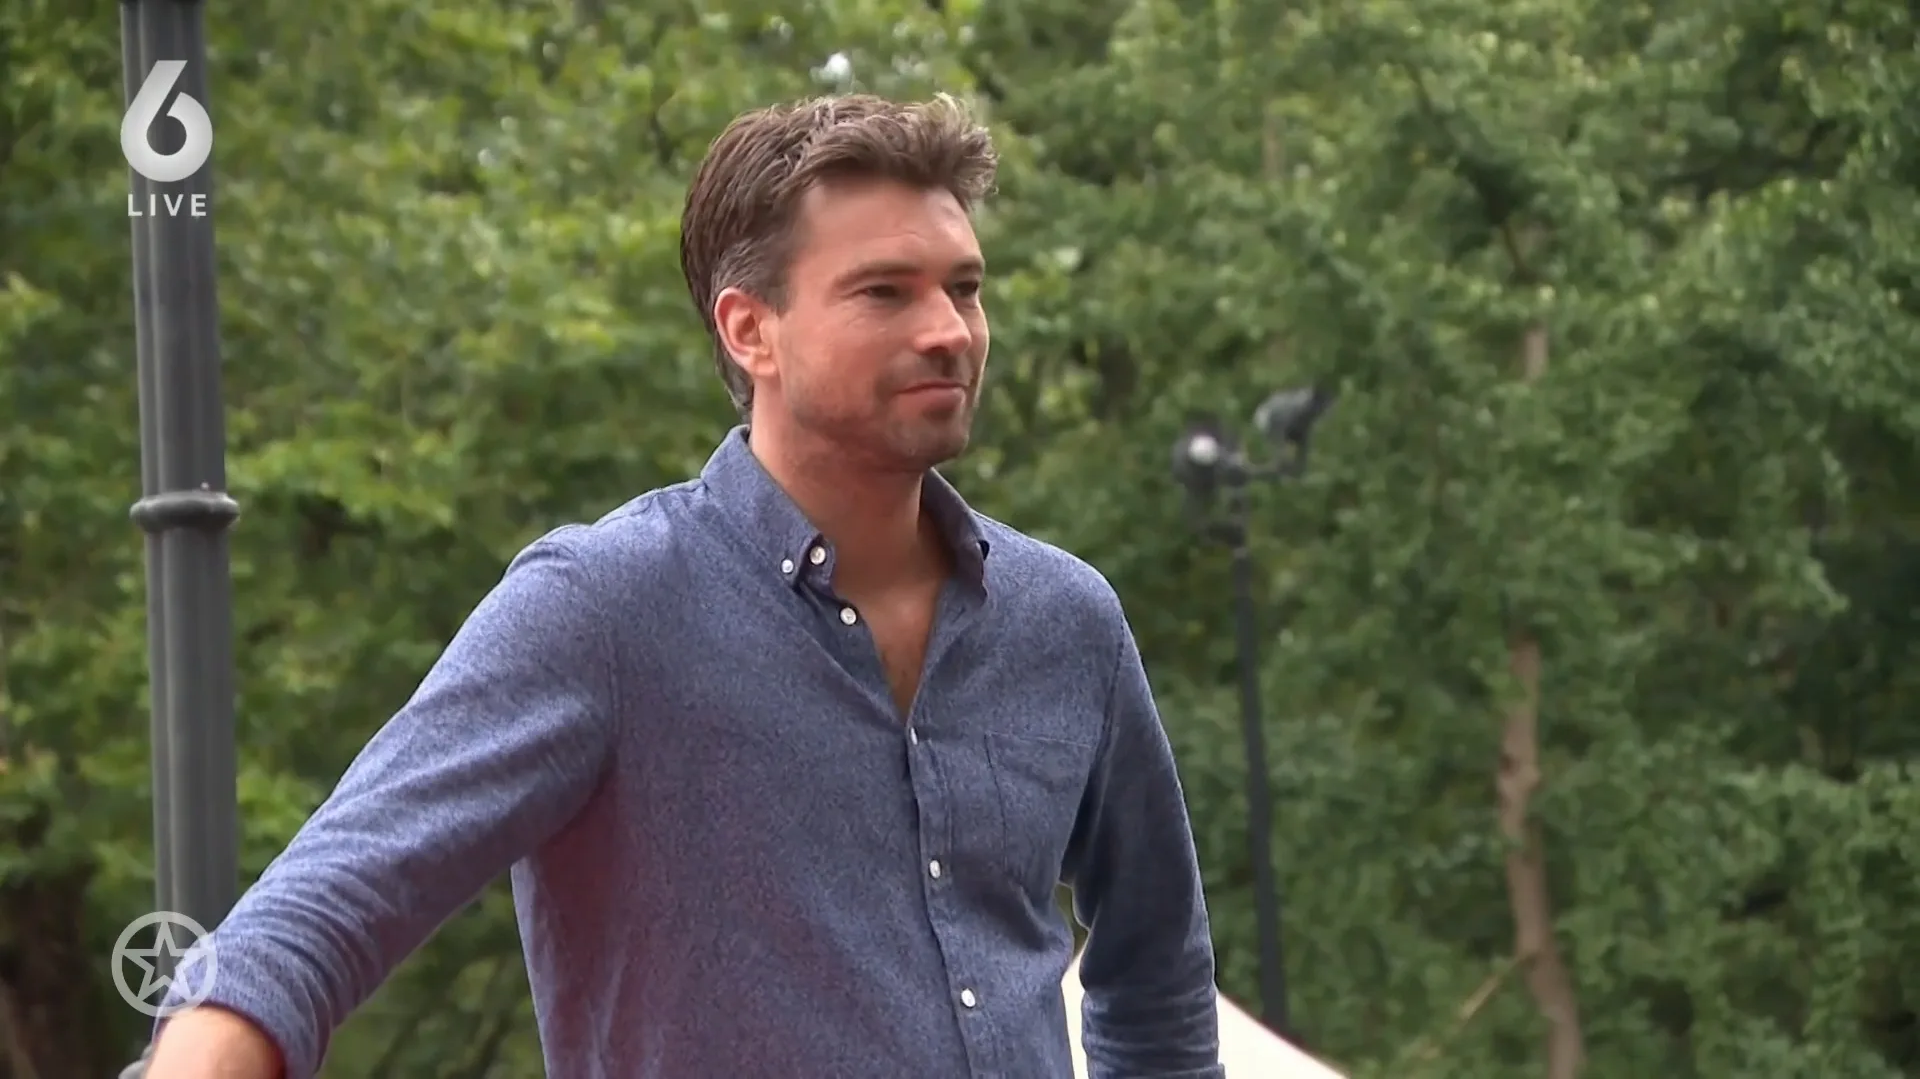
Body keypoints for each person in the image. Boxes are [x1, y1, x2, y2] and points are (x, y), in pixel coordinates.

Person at [143, 93, 1224, 1079]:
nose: (948, 330)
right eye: (885, 292)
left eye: (965, 288)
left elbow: (1160, 982)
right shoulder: (605, 607)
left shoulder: (1066, 622)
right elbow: (329, 902)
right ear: (750, 330)